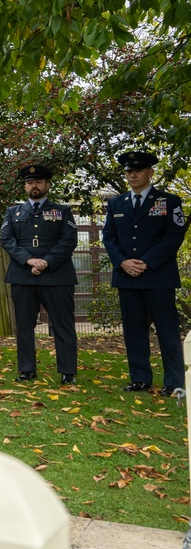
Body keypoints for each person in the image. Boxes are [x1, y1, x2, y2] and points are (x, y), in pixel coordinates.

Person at [101, 150, 188, 396]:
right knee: (133, 330)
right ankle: (140, 378)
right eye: (128, 171)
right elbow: (108, 236)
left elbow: (174, 236)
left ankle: (173, 381)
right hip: (127, 276)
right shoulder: (116, 203)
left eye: (138, 170)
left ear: (150, 172)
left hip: (158, 276)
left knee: (167, 330)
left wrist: (146, 262)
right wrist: (122, 262)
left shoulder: (169, 201)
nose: (132, 175)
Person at [0, 164, 79, 385]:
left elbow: (69, 240)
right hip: (23, 276)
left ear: (47, 185)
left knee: (63, 324)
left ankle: (67, 371)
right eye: (29, 182)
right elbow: (6, 239)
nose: (34, 186)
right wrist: (29, 260)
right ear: (25, 186)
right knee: (24, 325)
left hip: (57, 276)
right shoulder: (13, 212)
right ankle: (27, 370)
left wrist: (47, 262)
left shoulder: (62, 211)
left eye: (38, 182)